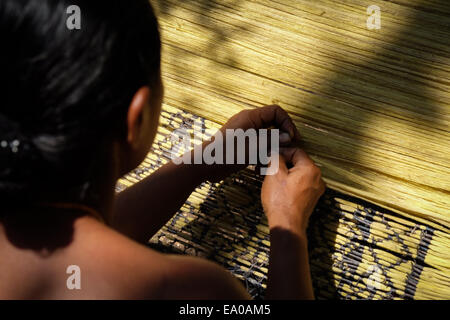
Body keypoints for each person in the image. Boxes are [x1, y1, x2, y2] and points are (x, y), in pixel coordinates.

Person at [0, 0, 326, 299]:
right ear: (137, 117)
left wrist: (202, 161)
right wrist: (287, 223)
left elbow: (79, 247)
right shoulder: (190, 291)